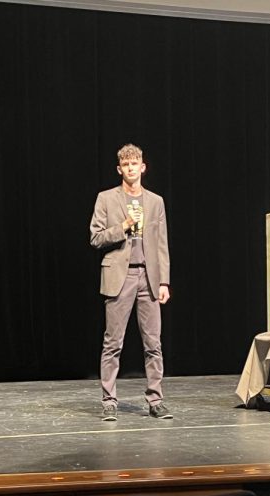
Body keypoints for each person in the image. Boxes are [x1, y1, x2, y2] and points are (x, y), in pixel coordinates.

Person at [89, 143, 172, 421]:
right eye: (125, 165)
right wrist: (123, 226)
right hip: (119, 277)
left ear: (143, 167)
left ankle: (155, 399)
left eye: (134, 164)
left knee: (153, 343)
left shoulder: (155, 202)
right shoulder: (106, 199)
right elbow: (96, 237)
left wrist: (164, 282)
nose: (130, 168)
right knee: (113, 343)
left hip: (148, 277)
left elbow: (162, 245)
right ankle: (109, 400)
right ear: (119, 169)